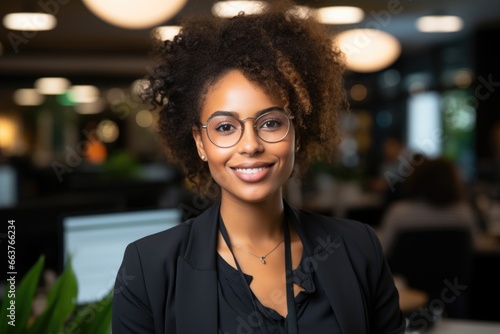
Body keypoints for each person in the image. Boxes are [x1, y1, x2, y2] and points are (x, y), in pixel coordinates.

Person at [112, 1, 406, 333]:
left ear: (296, 133)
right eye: (225, 127)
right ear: (199, 143)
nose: (250, 145)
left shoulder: (358, 248)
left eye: (270, 123)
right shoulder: (149, 267)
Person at [377, 156, 481, 255]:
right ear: (453, 182)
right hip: (454, 274)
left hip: (403, 273)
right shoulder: (464, 213)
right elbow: (476, 247)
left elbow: (382, 250)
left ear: (416, 179)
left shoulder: (398, 213)